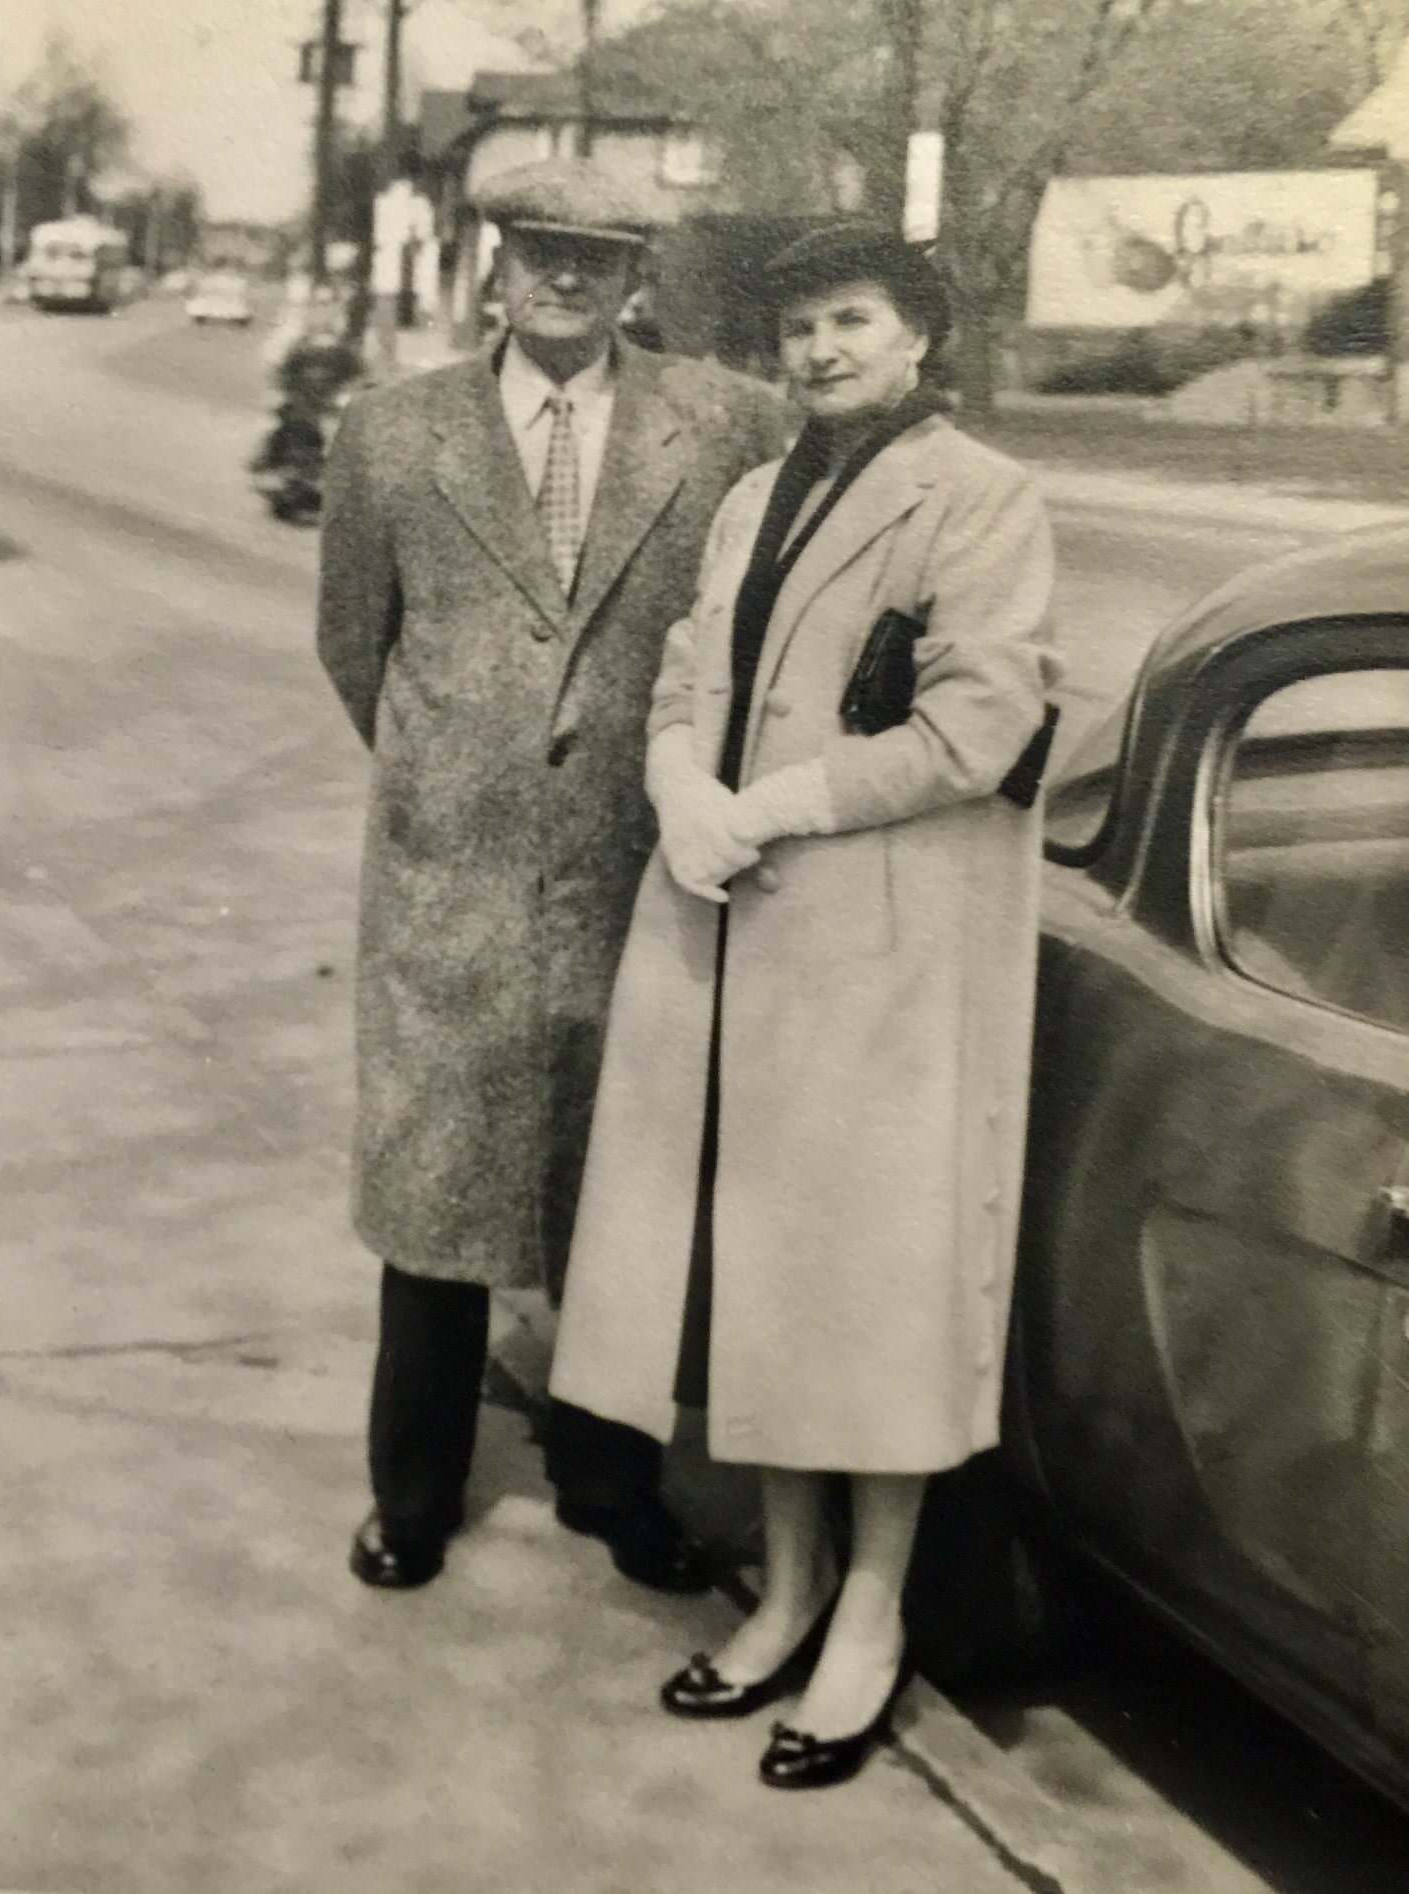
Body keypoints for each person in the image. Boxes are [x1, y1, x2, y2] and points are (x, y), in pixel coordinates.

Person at [549, 222, 1059, 1789]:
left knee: (873, 1294)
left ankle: (872, 1618)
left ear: (918, 335)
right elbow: (685, 680)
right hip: (735, 932)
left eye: (850, 321)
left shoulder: (980, 496)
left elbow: (981, 724)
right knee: (760, 1268)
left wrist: (767, 807)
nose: (819, 352)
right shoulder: (759, 494)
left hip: (883, 962)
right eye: (799, 330)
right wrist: (677, 785)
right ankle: (788, 1588)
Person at [316, 159, 787, 1595]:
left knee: (618, 1197)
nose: (566, 277)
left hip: (634, 874)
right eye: (541, 249)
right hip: (449, 880)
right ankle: (412, 1493)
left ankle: (609, 1485)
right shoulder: (393, 433)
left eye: (599, 254)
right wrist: (460, 772)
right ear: (497, 260)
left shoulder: (724, 425)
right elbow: (355, 643)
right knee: (437, 1203)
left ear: (638, 273)